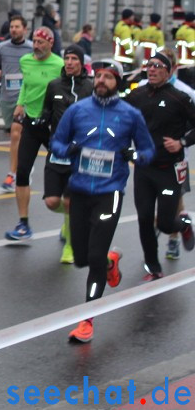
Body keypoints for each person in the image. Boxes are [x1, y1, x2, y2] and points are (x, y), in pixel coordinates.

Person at [50, 61, 155, 343]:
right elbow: (56, 143)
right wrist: (68, 149)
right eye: (99, 76)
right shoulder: (77, 110)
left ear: (118, 82)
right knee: (82, 258)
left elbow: (147, 151)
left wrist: (133, 156)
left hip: (110, 192)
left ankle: (87, 320)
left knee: (94, 256)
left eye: (108, 77)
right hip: (80, 190)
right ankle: (110, 262)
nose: (102, 80)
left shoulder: (130, 115)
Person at [123, 52, 195, 281]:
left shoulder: (180, 98)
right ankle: (153, 267)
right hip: (144, 169)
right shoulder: (137, 95)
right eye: (149, 66)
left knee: (164, 223)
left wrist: (181, 142)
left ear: (169, 70)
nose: (151, 70)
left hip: (168, 170)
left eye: (157, 66)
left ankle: (183, 224)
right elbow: (119, 117)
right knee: (144, 217)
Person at [3, 27, 64, 239]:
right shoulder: (26, 61)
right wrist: (20, 103)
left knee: (65, 171)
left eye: (41, 42)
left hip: (51, 126)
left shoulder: (60, 64)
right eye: (35, 41)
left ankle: (70, 219)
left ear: (50, 43)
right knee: (22, 171)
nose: (36, 46)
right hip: (31, 121)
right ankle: (23, 224)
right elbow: (26, 85)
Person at [39, 46, 95, 263]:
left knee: (72, 202)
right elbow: (47, 112)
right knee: (52, 202)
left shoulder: (90, 87)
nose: (70, 62)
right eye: (67, 58)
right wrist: (41, 121)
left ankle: (70, 249)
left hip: (80, 154)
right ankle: (68, 218)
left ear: (81, 63)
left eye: (74, 59)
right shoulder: (54, 86)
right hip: (57, 152)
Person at [0, 14, 33, 190]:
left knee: (17, 133)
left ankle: (13, 174)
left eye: (17, 26)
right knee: (14, 136)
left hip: (25, 98)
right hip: (7, 97)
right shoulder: (1, 47)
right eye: (12, 27)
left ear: (25, 29)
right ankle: (24, 165)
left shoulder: (31, 48)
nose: (14, 29)